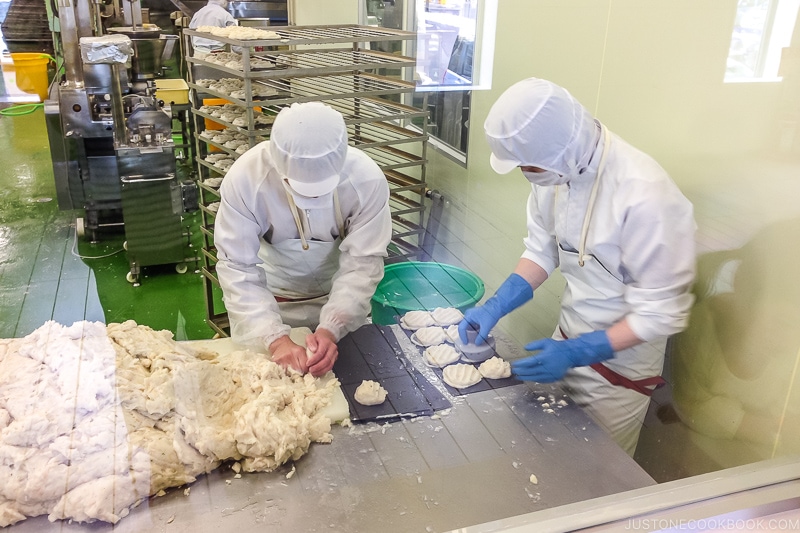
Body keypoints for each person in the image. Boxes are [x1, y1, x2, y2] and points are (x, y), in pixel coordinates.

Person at [459, 77, 696, 455]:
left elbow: (660, 314)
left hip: (619, 373)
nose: (525, 172)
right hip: (564, 341)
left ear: (560, 151)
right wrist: (496, 304)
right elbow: (543, 250)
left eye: (527, 164)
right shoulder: (553, 172)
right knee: (541, 455)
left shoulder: (646, 196)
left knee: (593, 474)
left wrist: (581, 351)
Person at [214, 102, 393, 377]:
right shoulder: (246, 180)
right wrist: (274, 338)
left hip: (338, 299)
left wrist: (332, 327)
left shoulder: (366, 180)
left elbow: (363, 263)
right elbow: (237, 267)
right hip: (271, 304)